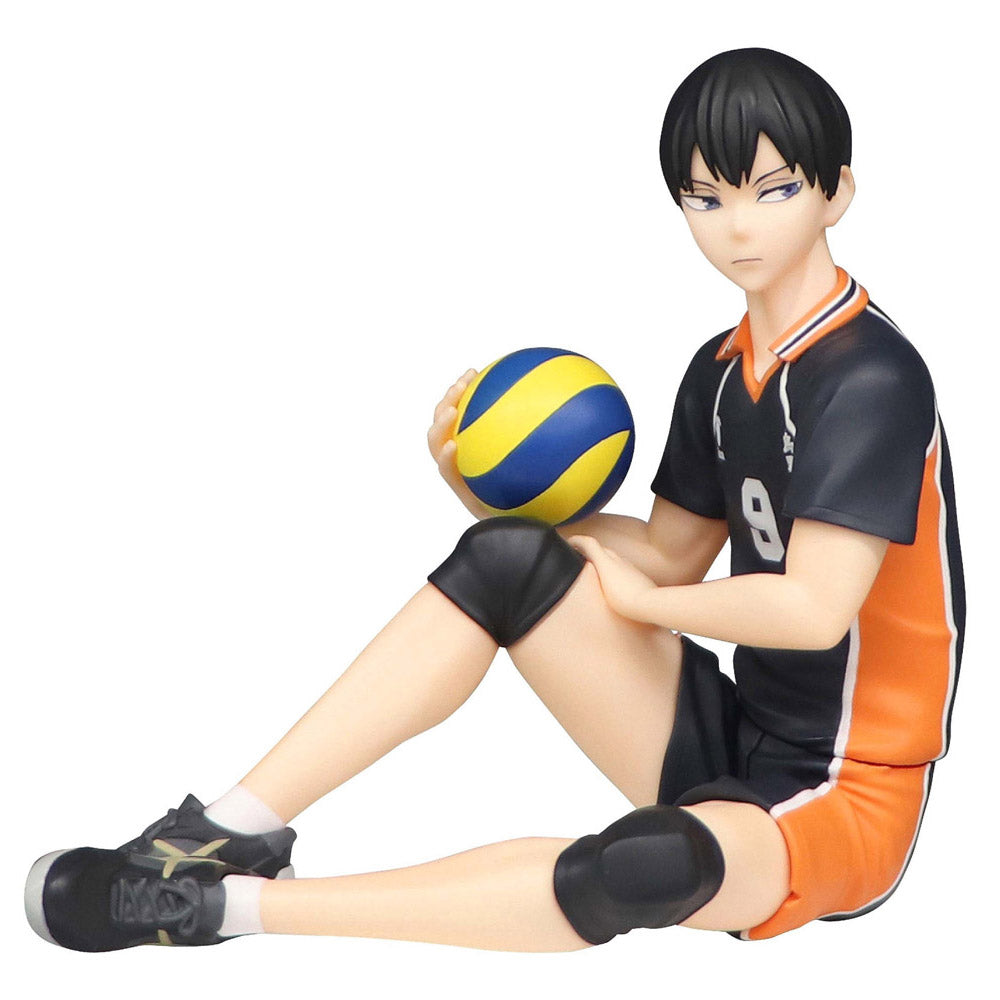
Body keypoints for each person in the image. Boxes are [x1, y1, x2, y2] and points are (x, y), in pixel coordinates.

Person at [24, 47, 963, 951]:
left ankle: (223, 911)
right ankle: (222, 834)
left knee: (644, 866)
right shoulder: (719, 373)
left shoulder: (872, 377)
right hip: (736, 736)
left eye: (775, 190)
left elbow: (811, 609)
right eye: (706, 199)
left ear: (838, 191)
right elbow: (670, 553)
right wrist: (490, 496)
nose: (738, 227)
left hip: (852, 793)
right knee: (511, 558)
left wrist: (646, 605)